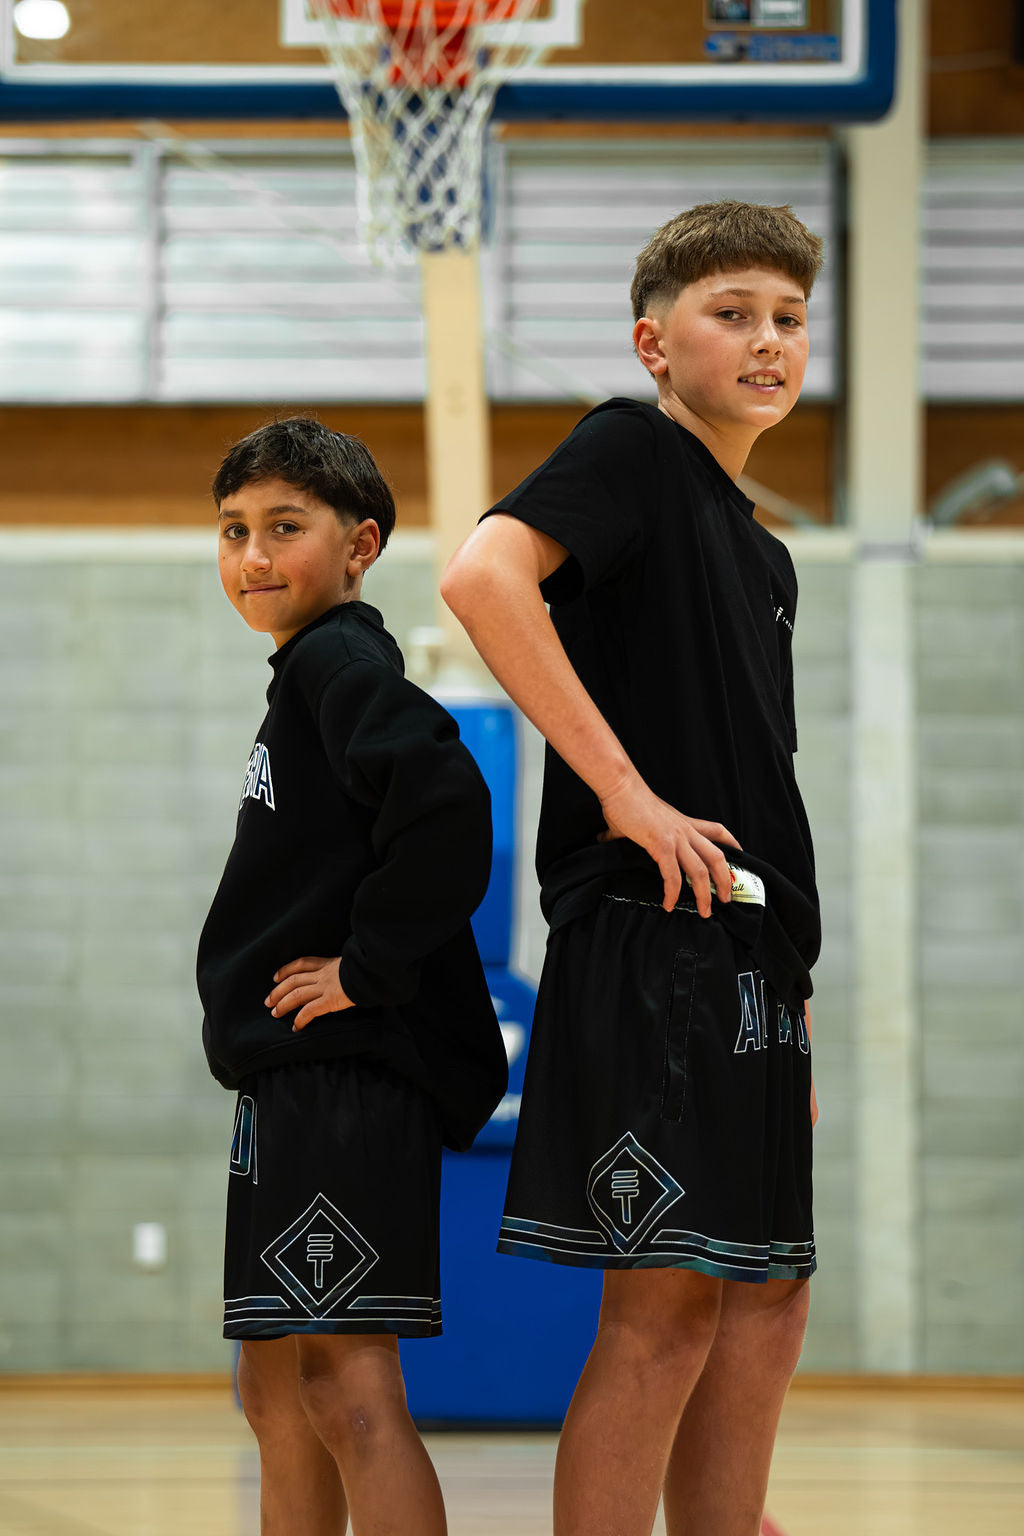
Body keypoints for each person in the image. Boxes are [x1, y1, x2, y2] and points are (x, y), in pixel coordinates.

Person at [441, 201, 823, 1536]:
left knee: (765, 1292)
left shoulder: (759, 546)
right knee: (662, 1305)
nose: (768, 340)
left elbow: (751, 769)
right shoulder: (629, 450)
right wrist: (623, 792)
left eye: (787, 316)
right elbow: (483, 576)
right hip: (654, 940)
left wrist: (794, 981)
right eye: (734, 313)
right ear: (656, 343)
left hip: (751, 960)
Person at [197, 417, 507, 1536]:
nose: (255, 557)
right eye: (234, 531)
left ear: (360, 542)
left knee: (343, 1383)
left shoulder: (341, 660)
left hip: (341, 1082)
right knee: (275, 1387)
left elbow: (448, 809)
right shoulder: (306, 680)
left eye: (286, 527)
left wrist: (366, 972)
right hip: (292, 1090)